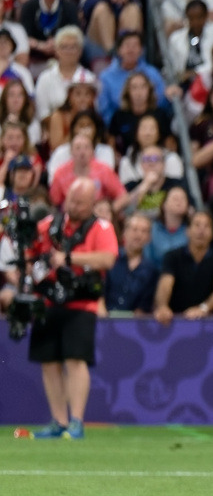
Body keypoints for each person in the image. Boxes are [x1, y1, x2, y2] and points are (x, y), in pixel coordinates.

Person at [12, 178, 119, 439]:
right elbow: (29, 252)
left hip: (81, 302)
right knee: (48, 362)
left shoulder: (101, 227)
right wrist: (28, 260)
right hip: (48, 300)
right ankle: (58, 421)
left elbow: (108, 258)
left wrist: (69, 258)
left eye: (80, 203)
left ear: (92, 203)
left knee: (75, 359)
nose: (74, 206)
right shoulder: (49, 224)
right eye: (71, 200)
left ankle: (76, 421)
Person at [153, 211, 213, 323]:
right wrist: (163, 306)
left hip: (208, 320)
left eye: (206, 226)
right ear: (187, 231)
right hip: (176, 318)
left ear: (212, 233)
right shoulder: (172, 256)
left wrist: (203, 308)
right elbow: (165, 283)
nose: (201, 230)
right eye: (197, 225)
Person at [105, 213, 159, 314]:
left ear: (149, 237)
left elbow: (145, 305)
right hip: (104, 317)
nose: (138, 235)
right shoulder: (110, 260)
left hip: (133, 320)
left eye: (144, 231)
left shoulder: (151, 270)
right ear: (124, 232)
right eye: (134, 229)